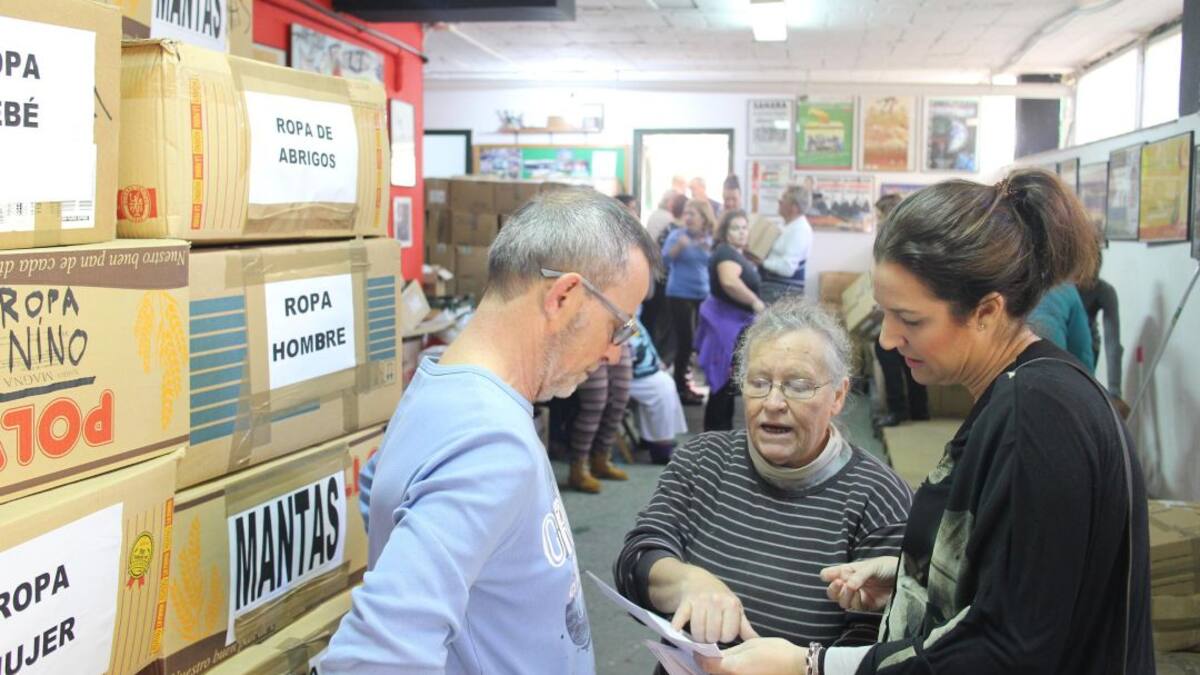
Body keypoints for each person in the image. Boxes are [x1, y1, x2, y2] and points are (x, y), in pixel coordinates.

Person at [698, 168, 1154, 674]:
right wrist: (914, 577)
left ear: (986, 310)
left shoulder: (1037, 419)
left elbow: (1008, 650)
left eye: (911, 320)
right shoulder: (1022, 389)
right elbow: (1025, 573)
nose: (889, 339)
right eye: (885, 314)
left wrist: (812, 665)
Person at [323, 188, 657, 674]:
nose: (614, 353)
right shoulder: (491, 443)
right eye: (619, 328)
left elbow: (379, 493)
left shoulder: (439, 383)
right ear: (563, 296)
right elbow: (373, 659)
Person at [615, 297, 913, 652]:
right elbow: (633, 562)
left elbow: (874, 644)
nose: (773, 403)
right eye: (758, 382)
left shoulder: (877, 497)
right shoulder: (702, 460)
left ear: (837, 395)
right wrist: (686, 582)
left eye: (798, 385)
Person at [696, 209, 764, 431]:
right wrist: (755, 302)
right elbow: (729, 282)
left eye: (745, 227)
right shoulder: (725, 253)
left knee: (726, 386)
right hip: (724, 326)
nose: (742, 232)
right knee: (721, 385)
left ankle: (721, 436)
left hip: (731, 323)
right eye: (736, 228)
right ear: (725, 231)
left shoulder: (734, 252)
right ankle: (714, 438)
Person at [871, 193, 928, 428]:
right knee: (909, 356)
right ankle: (918, 412)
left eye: (878, 217)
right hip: (908, 309)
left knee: (888, 350)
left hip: (911, 311)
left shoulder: (900, 244)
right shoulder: (906, 241)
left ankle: (899, 410)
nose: (876, 222)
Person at [663, 199, 715, 405]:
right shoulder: (677, 235)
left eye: (694, 214)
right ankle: (680, 389)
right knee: (686, 342)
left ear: (704, 218)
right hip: (679, 294)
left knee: (699, 342)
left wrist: (708, 249)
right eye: (687, 213)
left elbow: (716, 265)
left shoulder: (710, 239)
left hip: (703, 295)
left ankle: (690, 382)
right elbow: (663, 261)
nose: (689, 217)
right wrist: (678, 248)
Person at [566, 343, 634, 494]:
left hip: (619, 335)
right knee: (595, 403)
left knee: (620, 398)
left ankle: (601, 460)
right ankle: (578, 469)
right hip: (585, 337)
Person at [627, 318, 688, 465]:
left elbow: (642, 337)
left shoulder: (628, 310)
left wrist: (655, 360)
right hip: (626, 374)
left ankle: (653, 439)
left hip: (641, 369)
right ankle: (660, 446)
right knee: (661, 388)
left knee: (665, 381)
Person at [758, 185, 814, 304]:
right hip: (773, 288)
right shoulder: (788, 226)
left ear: (794, 207)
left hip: (782, 293)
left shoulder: (800, 230)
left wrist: (761, 262)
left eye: (784, 198)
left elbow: (787, 268)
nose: (779, 201)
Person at [1027, 283, 1095, 371]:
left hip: (1012, 366)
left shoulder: (1010, 279)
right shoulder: (1066, 287)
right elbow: (1082, 352)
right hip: (1052, 365)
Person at [1079, 274, 1124, 397]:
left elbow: (1113, 345)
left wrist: (1115, 392)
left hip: (1088, 346)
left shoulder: (1104, 290)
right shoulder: (1058, 287)